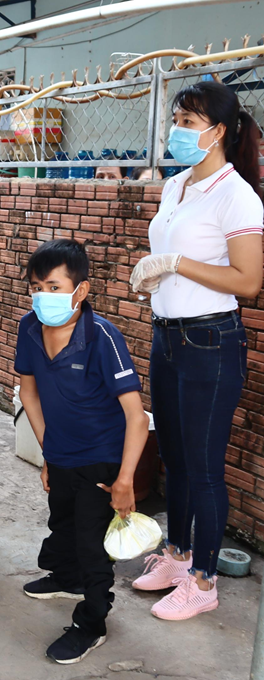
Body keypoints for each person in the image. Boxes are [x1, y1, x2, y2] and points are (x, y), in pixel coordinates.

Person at [129, 81, 263, 619]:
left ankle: (204, 582)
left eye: (188, 122)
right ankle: (178, 554)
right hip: (169, 335)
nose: (177, 131)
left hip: (211, 340)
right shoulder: (176, 185)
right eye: (178, 119)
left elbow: (248, 280)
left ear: (219, 132)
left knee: (205, 467)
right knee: (177, 459)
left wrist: (177, 265)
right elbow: (169, 254)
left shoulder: (238, 196)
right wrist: (154, 275)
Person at [16, 239, 149, 664]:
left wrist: (125, 480)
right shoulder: (29, 328)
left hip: (102, 459)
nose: (44, 296)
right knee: (64, 521)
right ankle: (67, 577)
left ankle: (91, 622)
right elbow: (29, 393)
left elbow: (136, 416)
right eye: (37, 286)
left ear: (81, 290)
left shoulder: (102, 337)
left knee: (93, 544)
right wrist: (48, 453)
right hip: (62, 454)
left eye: (55, 287)